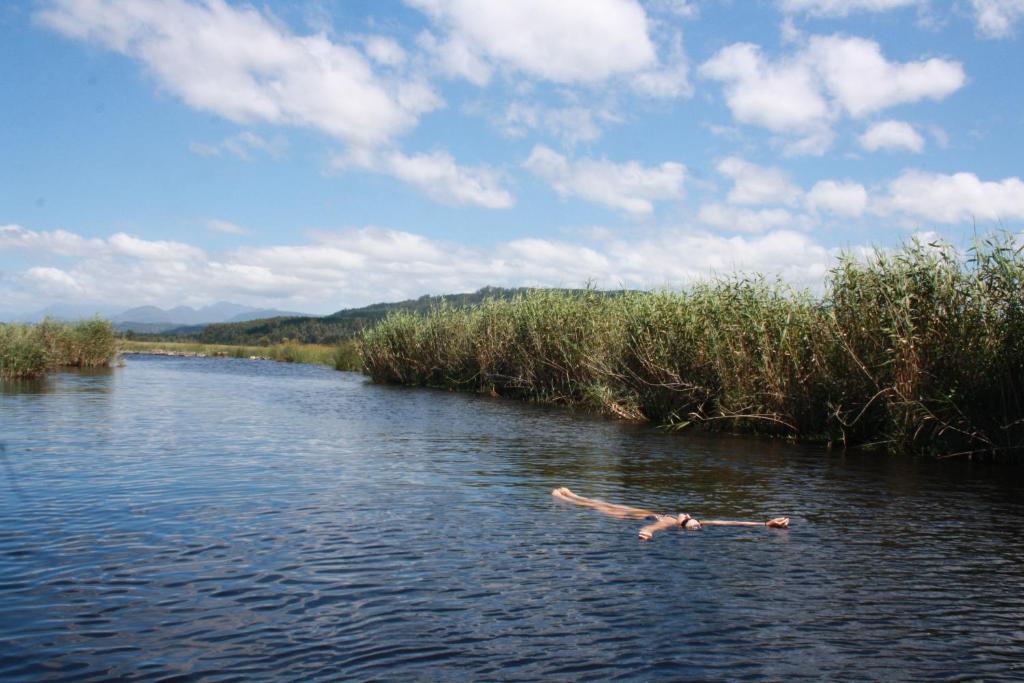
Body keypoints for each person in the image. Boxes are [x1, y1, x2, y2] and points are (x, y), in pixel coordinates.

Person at [551, 486, 790, 541]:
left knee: (600, 506)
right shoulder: (694, 521)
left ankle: (565, 497)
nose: (686, 513)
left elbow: (656, 527)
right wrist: (764, 523)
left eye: (686, 517)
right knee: (602, 503)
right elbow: (729, 522)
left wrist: (647, 531)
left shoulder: (670, 522)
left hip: (642, 518)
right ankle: (570, 495)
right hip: (645, 513)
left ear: (683, 521)